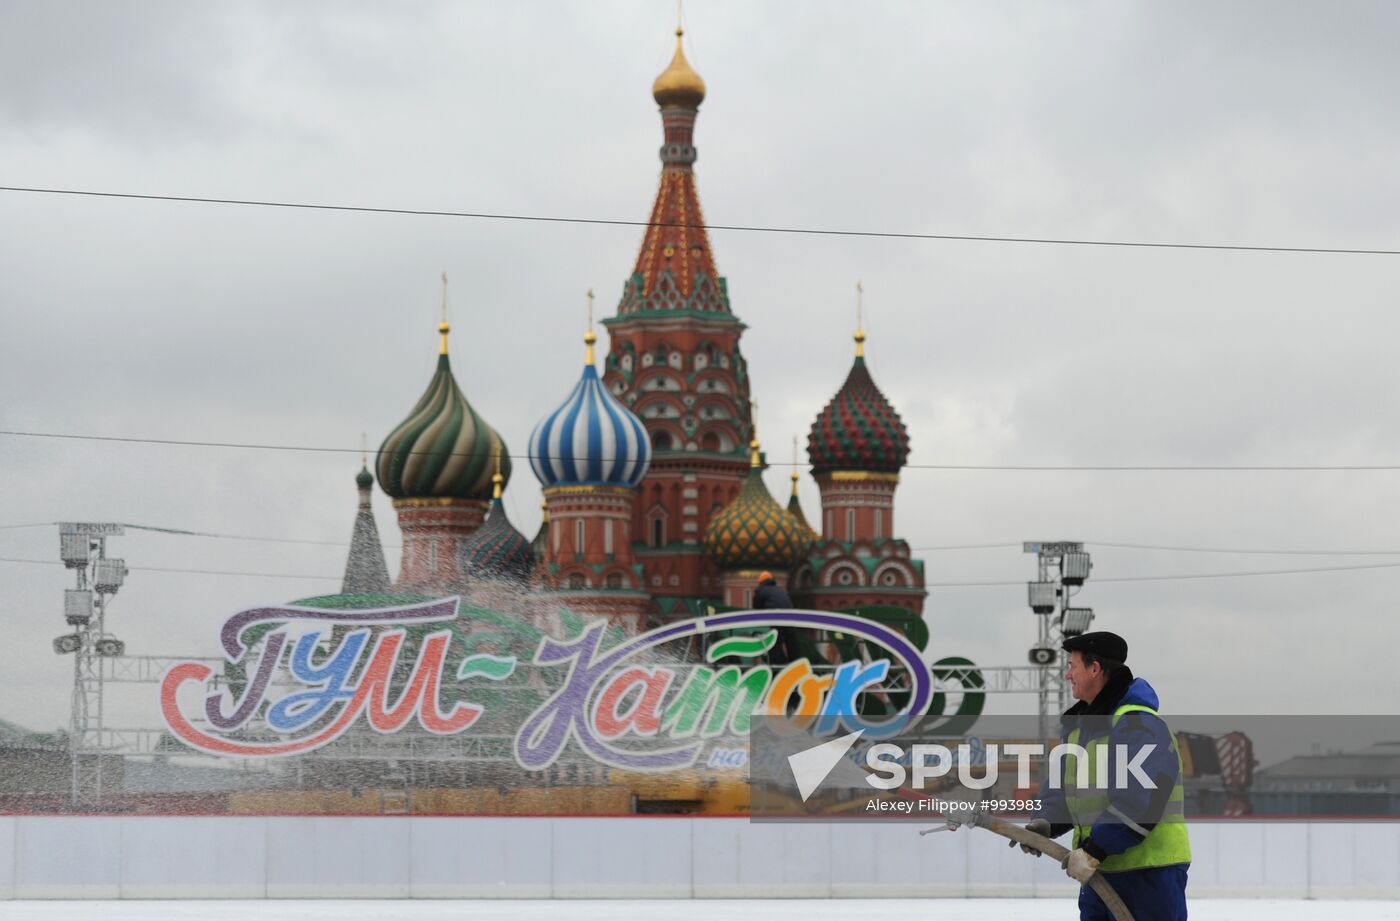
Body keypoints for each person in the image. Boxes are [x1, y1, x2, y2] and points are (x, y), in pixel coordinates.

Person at [1016, 631, 1190, 921]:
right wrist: (1046, 823)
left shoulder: (1138, 725)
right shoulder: (1077, 731)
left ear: (1095, 668)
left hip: (1148, 874)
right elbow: (1062, 791)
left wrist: (1095, 849)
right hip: (1100, 872)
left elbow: (1139, 801)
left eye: (1072, 666)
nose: (1067, 675)